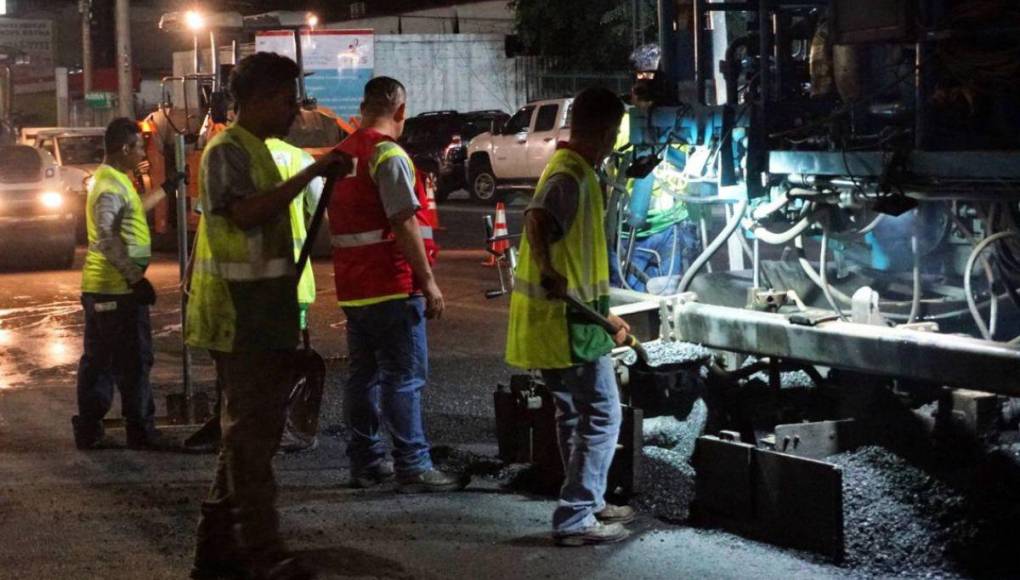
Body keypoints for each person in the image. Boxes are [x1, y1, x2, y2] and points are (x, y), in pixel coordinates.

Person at [186, 52, 350, 580]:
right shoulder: (225, 152)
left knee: (244, 437)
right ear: (255, 100)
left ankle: (215, 549)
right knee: (251, 442)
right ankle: (264, 553)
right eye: (286, 100)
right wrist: (312, 173)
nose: (293, 113)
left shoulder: (258, 150)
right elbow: (248, 213)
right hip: (237, 316)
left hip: (264, 312)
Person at [505, 87, 635, 546]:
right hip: (566, 326)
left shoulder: (572, 170)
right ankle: (577, 515)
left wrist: (610, 315)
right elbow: (537, 220)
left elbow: (580, 263)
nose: (613, 142)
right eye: (614, 133)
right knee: (602, 414)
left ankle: (589, 502)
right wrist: (545, 269)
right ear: (603, 131)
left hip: (566, 320)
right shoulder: (571, 176)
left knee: (572, 416)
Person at [328, 76, 467, 492]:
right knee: (403, 376)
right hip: (391, 283)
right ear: (400, 111)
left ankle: (367, 461)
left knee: (363, 377)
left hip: (355, 288)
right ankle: (413, 464)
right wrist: (428, 283)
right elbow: (403, 220)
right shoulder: (387, 154)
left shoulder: (341, 154)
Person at [182, 137, 324, 454]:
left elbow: (206, 219)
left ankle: (233, 421)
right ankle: (272, 425)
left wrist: (191, 270)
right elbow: (319, 211)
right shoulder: (297, 158)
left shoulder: (218, 157)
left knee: (231, 357)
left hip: (228, 282)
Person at [72, 117, 176, 451]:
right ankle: (139, 429)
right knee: (132, 361)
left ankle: (90, 429)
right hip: (115, 290)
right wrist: (135, 279)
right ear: (123, 148)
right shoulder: (107, 185)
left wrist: (164, 190)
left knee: (99, 360)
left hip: (108, 289)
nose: (141, 154)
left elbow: (132, 209)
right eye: (138, 148)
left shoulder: (116, 180)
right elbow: (105, 236)